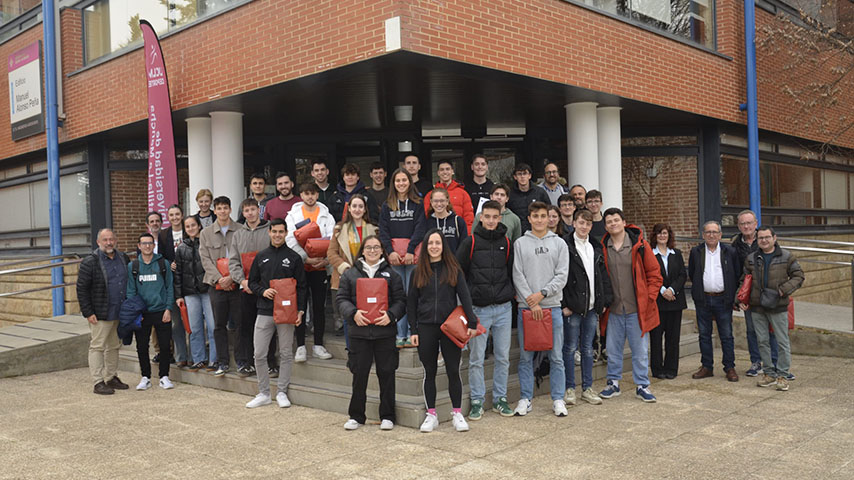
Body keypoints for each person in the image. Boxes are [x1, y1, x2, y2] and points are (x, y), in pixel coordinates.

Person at [408, 229, 478, 432]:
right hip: (426, 327)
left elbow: (465, 297)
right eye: (430, 243)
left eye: (438, 243)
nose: (434, 247)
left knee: (452, 370)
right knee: (429, 372)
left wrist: (472, 322)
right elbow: (411, 303)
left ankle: (457, 413)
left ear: (443, 246)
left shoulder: (453, 269)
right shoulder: (417, 272)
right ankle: (431, 414)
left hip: (450, 327)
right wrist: (413, 330)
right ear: (425, 246)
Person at [336, 235, 406, 430]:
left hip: (385, 333)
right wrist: (353, 313)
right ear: (363, 250)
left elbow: (401, 301)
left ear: (382, 250)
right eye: (369, 247)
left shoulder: (393, 275)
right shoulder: (350, 274)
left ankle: (388, 416)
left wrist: (391, 315)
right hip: (359, 333)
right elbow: (341, 299)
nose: (373, 251)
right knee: (359, 376)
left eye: (376, 247)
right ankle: (356, 416)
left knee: (387, 374)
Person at [456, 200, 516, 419]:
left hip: (503, 308)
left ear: (500, 218)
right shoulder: (470, 242)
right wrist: (466, 303)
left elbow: (511, 272)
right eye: (487, 216)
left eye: (495, 217)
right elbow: (458, 273)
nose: (491, 221)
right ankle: (477, 401)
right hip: (478, 310)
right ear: (481, 217)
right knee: (476, 359)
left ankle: (500, 398)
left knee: (502, 357)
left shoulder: (507, 243)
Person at [598, 208, 662, 403]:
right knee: (613, 349)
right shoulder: (603, 248)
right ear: (606, 226)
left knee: (640, 351)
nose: (613, 224)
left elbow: (655, 274)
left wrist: (649, 298)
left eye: (616, 220)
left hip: (637, 309)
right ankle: (613, 384)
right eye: (609, 222)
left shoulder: (640, 246)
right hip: (614, 309)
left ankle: (642, 385)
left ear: (624, 222)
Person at [512, 202, 569, 417]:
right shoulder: (520, 243)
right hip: (527, 309)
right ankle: (525, 398)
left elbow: (562, 275)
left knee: (556, 356)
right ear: (529, 218)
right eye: (535, 216)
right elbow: (518, 274)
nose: (539, 220)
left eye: (543, 216)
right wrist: (531, 301)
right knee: (526, 357)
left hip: (552, 307)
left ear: (549, 218)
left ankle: (558, 399)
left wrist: (543, 294)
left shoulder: (559, 244)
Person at [245, 219, 307, 408]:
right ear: (269, 233)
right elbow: (252, 282)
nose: (278, 235)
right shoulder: (261, 256)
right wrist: (262, 291)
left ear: (286, 232)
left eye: (281, 231)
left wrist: (301, 310)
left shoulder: (294, 258)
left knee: (286, 353)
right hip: (264, 311)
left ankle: (281, 392)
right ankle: (263, 393)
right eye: (275, 231)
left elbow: (302, 287)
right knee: (259, 353)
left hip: (287, 313)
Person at [738, 226, 804, 391]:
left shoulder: (786, 256)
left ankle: (782, 375)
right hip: (757, 307)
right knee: (762, 342)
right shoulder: (751, 258)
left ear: (774, 238)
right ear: (757, 240)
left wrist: (782, 290)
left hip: (778, 306)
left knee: (782, 342)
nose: (764, 240)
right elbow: (744, 280)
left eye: (767, 237)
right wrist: (741, 298)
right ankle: (769, 373)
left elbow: (798, 276)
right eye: (760, 238)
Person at [561, 209, 612, 407]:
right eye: (581, 222)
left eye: (588, 223)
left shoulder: (595, 246)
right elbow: (561, 276)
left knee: (588, 349)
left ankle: (587, 388)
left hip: (591, 307)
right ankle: (570, 388)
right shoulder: (565, 245)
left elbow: (602, 275)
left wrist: (605, 300)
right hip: (572, 308)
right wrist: (564, 304)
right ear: (574, 223)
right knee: (570, 348)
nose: (584, 227)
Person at [285, 183, 336, 362]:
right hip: (301, 266)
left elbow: (331, 238)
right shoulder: (293, 215)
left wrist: (325, 259)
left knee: (319, 307)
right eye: (306, 194)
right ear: (301, 195)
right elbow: (290, 239)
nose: (310, 197)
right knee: (300, 306)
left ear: (317, 195)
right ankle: (300, 346)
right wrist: (306, 258)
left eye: (313, 194)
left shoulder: (326, 215)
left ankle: (318, 345)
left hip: (320, 266)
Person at [77, 228, 131, 395]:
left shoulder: (123, 257)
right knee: (98, 346)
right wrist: (88, 311)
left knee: (114, 345)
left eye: (111, 239)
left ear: (116, 241)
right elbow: (81, 288)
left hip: (119, 311)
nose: (109, 243)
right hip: (100, 312)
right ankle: (98, 381)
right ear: (98, 242)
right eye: (105, 240)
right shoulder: (90, 262)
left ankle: (111, 377)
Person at [378, 168, 426, 347]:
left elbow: (420, 228)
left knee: (413, 294)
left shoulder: (418, 203)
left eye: (404, 180)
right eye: (398, 181)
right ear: (393, 183)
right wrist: (390, 251)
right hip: (395, 257)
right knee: (398, 295)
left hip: (412, 256)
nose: (401, 184)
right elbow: (383, 231)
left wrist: (411, 250)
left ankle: (414, 332)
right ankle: (400, 333)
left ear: (410, 182)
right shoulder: (386, 205)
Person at [688, 220, 741, 382]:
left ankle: (730, 367)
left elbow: (736, 273)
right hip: (703, 300)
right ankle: (707, 367)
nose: (711, 235)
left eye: (714, 232)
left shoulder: (729, 251)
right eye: (708, 232)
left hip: (723, 299)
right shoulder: (696, 252)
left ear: (720, 235)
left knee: (726, 335)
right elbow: (692, 273)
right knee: (704, 335)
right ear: (703, 235)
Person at [732, 209, 780, 378]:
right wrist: (738, 298)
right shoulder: (734, 246)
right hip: (748, 296)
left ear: (756, 223)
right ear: (738, 225)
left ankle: (774, 362)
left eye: (749, 223)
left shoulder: (766, 241)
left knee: (771, 330)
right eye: (742, 223)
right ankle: (756, 362)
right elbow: (735, 274)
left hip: (769, 295)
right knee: (752, 330)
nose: (746, 226)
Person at [229, 198, 274, 376]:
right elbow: (233, 262)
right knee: (245, 326)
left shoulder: (270, 230)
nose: (250, 213)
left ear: (259, 211)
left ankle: (271, 363)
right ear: (243, 213)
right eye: (246, 210)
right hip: (246, 289)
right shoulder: (238, 235)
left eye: (253, 210)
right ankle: (247, 363)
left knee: (268, 326)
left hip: (266, 289)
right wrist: (242, 281)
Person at [199, 196, 242, 376]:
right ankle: (223, 361)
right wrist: (219, 279)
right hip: (215, 284)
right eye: (219, 208)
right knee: (218, 325)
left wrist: (232, 277)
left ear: (230, 210)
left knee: (240, 324)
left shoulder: (240, 230)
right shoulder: (205, 233)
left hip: (237, 283)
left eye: (226, 208)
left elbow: (244, 255)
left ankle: (242, 360)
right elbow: (205, 259)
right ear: (214, 211)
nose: (223, 211)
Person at [127, 232, 175, 391]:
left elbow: (169, 287)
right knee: (141, 346)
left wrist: (168, 308)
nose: (147, 246)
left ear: (154, 245)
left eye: (150, 243)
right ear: (139, 246)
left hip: (161, 311)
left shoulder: (163, 264)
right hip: (142, 313)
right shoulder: (133, 266)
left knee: (164, 345)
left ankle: (164, 376)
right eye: (144, 243)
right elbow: (131, 291)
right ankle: (145, 377)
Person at [328, 194, 378, 343]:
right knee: (348, 317)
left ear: (365, 210)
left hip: (368, 278)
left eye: (360, 206)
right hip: (345, 277)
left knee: (368, 315)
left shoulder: (374, 229)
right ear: (349, 209)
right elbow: (331, 253)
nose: (357, 209)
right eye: (354, 206)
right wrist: (344, 267)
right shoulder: (339, 228)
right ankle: (352, 351)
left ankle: (367, 349)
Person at [174, 216, 217, 372]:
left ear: (199, 226)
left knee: (212, 326)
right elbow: (177, 273)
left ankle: (214, 359)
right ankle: (198, 359)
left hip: (207, 290)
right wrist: (179, 295)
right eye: (188, 226)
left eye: (193, 225)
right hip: (190, 293)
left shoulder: (207, 244)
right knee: (194, 328)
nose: (191, 228)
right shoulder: (181, 248)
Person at [649, 223, 687, 380]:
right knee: (656, 338)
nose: (662, 236)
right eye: (659, 233)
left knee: (673, 338)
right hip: (657, 302)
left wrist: (672, 290)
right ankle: (657, 369)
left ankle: (671, 369)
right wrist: (663, 291)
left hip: (675, 302)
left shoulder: (676, 253)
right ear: (654, 236)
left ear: (669, 235)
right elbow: (648, 275)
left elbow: (682, 275)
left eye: (664, 233)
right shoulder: (650, 254)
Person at [159, 204, 188, 367]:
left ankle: (196, 356)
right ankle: (181, 355)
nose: (175, 217)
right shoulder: (164, 235)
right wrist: (169, 264)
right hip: (173, 281)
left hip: (189, 280)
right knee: (177, 323)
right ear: (168, 218)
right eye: (171, 215)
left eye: (177, 214)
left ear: (182, 215)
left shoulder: (190, 229)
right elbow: (161, 257)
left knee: (194, 322)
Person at [423, 160, 475, 231]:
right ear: (438, 173)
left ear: (452, 171)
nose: (445, 172)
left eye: (447, 169)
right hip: (436, 235)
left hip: (458, 234)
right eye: (442, 170)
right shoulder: (430, 194)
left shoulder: (463, 193)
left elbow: (469, 218)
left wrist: (467, 238)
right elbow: (425, 217)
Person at [506, 163, 550, 232]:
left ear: (529, 176)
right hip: (518, 233)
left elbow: (548, 210)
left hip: (538, 231)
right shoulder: (510, 195)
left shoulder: (540, 192)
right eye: (519, 174)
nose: (522, 176)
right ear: (515, 177)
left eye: (525, 173)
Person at [427, 187, 468, 253]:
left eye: (442, 201)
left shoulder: (458, 221)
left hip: (454, 262)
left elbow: (464, 246)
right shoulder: (427, 223)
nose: (439, 204)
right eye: (436, 201)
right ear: (431, 202)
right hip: (434, 262)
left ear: (447, 201)